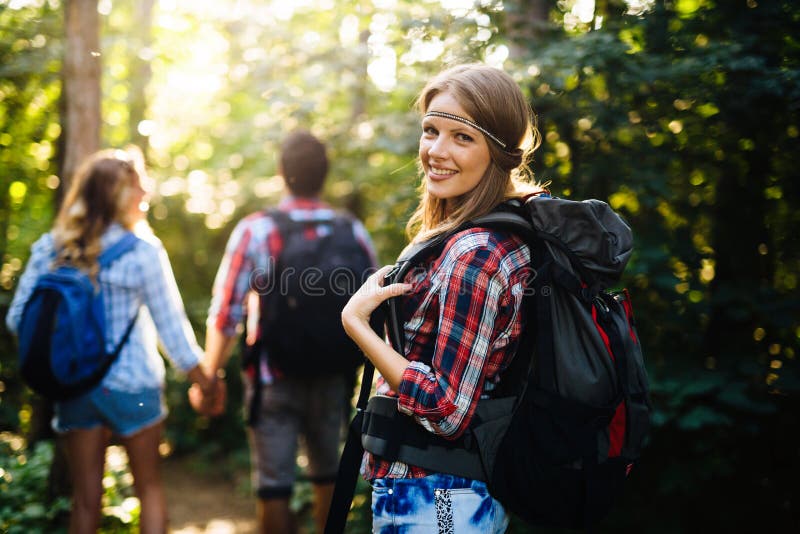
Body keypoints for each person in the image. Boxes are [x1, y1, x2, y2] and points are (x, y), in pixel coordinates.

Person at [340, 63, 544, 532]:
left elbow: (446, 409)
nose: (436, 150)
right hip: (453, 495)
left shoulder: (476, 254)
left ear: (497, 151)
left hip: (436, 501)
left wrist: (356, 325)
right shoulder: (491, 234)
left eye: (462, 137)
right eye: (431, 130)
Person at [5, 148, 221, 534]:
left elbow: (16, 318)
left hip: (75, 386)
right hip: (133, 387)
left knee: (85, 501)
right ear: (121, 196)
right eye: (139, 187)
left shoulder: (51, 248)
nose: (146, 195)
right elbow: (173, 333)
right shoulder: (142, 252)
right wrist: (206, 384)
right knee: (150, 489)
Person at [202, 130, 377, 534]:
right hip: (335, 372)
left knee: (273, 486)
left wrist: (209, 376)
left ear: (282, 172)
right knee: (328, 475)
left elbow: (226, 311)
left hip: (271, 377)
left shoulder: (256, 229)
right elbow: (374, 301)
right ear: (324, 174)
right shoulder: (350, 229)